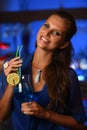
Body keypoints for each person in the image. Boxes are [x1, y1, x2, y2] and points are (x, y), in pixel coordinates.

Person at [0, 11, 86, 130]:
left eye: (56, 33)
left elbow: (80, 126)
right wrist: (11, 83)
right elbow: (1, 117)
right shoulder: (14, 66)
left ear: (64, 44)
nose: (47, 33)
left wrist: (46, 114)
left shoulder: (68, 76)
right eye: (46, 25)